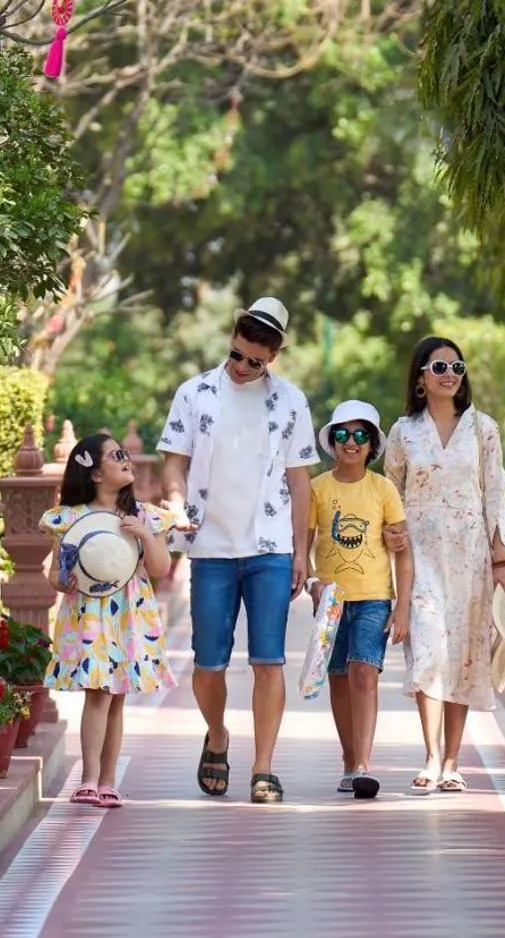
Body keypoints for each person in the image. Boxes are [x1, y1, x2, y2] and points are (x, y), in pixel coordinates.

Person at [157, 296, 320, 804]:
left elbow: (301, 484)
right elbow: (172, 463)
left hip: (270, 548)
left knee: (269, 660)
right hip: (209, 546)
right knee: (208, 663)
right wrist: (176, 502)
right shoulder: (195, 393)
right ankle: (219, 735)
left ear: (273, 358)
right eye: (237, 355)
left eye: (256, 361)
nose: (243, 367)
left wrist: (301, 554)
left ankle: (264, 767)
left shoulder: (291, 400)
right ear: (231, 341)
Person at [382, 336, 505, 792]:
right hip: (419, 558)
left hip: (470, 556)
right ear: (421, 378)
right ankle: (431, 756)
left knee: (462, 654)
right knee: (428, 650)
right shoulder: (402, 432)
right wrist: (391, 540)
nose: (449, 376)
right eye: (439, 368)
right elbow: (391, 493)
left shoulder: (484, 429)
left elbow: (495, 493)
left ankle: (454, 762)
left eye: (456, 368)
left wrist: (502, 558)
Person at [42, 432, 177, 808]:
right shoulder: (69, 519)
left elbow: (161, 569)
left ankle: (107, 779)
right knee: (97, 694)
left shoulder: (144, 516)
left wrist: (146, 537)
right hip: (88, 616)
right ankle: (88, 778)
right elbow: (56, 572)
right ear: (96, 474)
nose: (126, 459)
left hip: (128, 616)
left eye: (124, 453)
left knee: (115, 698)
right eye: (116, 455)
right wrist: (61, 579)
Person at [306, 400, 413, 800]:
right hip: (331, 602)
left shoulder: (383, 488)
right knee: (339, 678)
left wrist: (401, 607)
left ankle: (366, 764)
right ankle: (350, 763)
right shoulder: (317, 488)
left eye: (359, 435)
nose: (350, 442)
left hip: (374, 599)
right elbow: (305, 545)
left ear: (372, 444)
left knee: (364, 673)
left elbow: (403, 549)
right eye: (341, 434)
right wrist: (312, 582)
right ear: (331, 442)